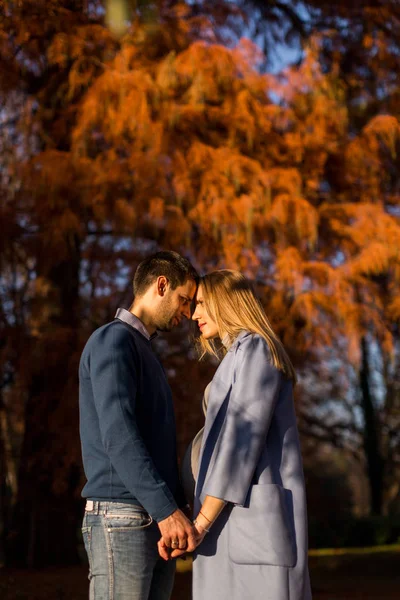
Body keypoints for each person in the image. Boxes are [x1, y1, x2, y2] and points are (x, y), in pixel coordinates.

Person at [164, 269, 312, 600]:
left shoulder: (256, 348)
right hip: (229, 524)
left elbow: (240, 445)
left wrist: (200, 524)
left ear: (226, 301)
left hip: (245, 527)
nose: (193, 314)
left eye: (201, 303)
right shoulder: (237, 354)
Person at [79, 251, 199, 600]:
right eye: (183, 300)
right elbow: (118, 434)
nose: (187, 312)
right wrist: (167, 510)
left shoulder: (142, 349)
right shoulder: (113, 340)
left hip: (152, 518)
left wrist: (174, 508)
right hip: (122, 517)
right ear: (161, 285)